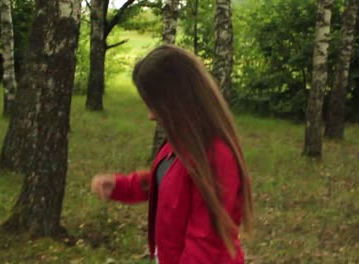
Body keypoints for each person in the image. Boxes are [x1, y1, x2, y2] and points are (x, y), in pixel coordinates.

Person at [91, 44, 253, 264]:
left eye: (154, 104)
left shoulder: (216, 156)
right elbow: (171, 185)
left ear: (177, 100)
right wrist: (122, 186)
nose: (150, 115)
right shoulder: (182, 142)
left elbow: (205, 247)